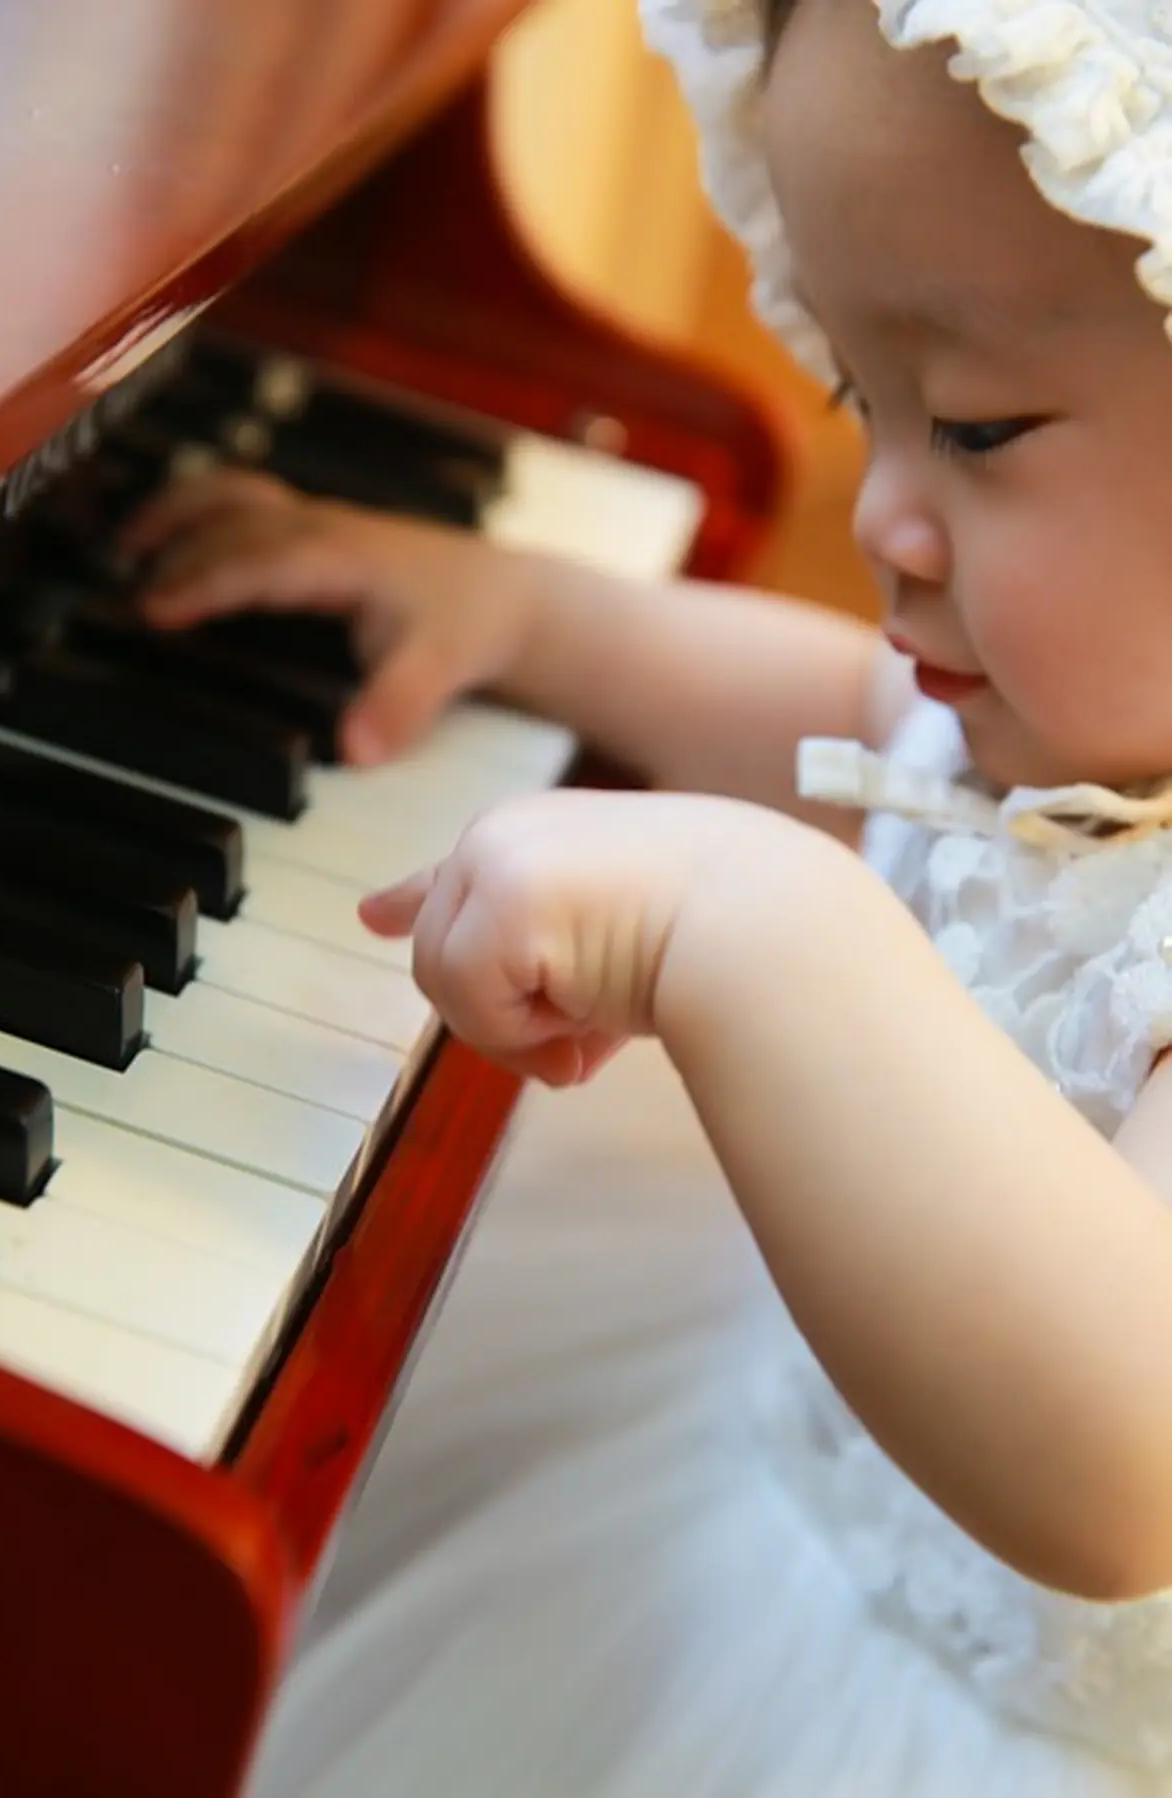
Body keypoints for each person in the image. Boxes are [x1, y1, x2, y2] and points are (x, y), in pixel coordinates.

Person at [123, 0, 1172, 1790]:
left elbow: (1120, 1460)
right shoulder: (1077, 727)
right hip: (757, 1501)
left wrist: (755, 923)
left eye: (981, 429)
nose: (884, 518)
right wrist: (533, 615)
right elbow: (840, 722)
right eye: (865, 400)